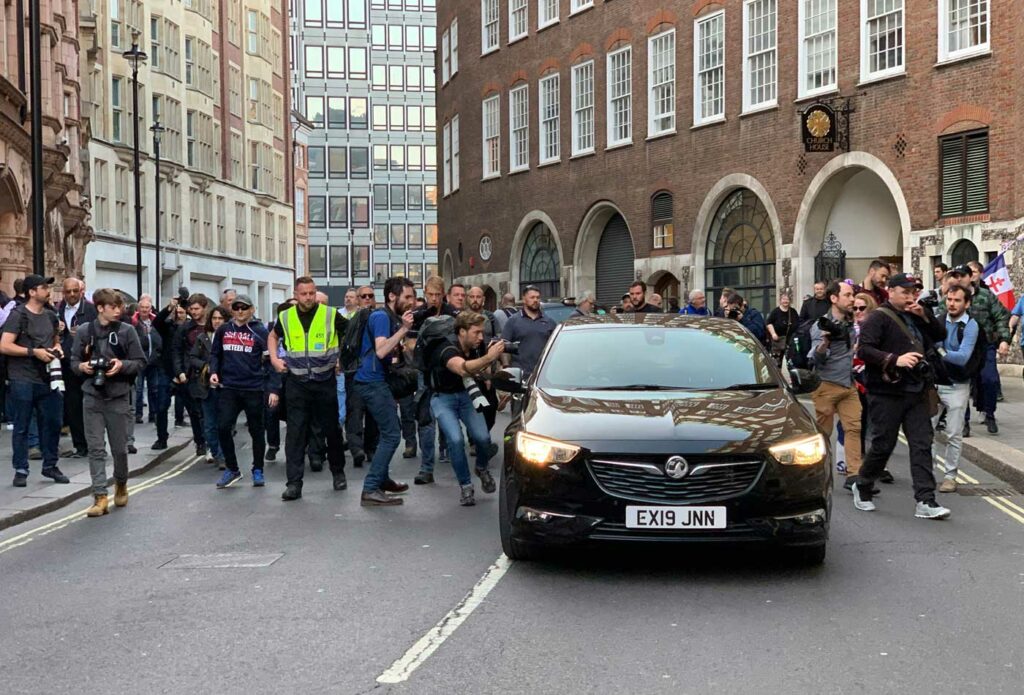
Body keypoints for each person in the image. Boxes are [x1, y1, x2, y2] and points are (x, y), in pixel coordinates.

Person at [853, 273, 951, 520]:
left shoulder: (916, 316)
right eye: (905, 292)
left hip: (916, 390)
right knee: (883, 444)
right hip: (887, 392)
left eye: (913, 292)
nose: (910, 297)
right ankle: (863, 485)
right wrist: (895, 360)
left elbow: (939, 335)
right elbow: (864, 349)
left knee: (922, 444)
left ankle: (925, 500)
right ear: (891, 291)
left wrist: (924, 316)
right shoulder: (877, 318)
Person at [268, 277, 348, 501]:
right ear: (296, 294)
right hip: (297, 383)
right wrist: (274, 359)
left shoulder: (329, 314)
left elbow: (350, 335)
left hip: (324, 381)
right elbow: (273, 337)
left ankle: (338, 473)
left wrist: (343, 358)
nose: (308, 298)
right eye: (304, 294)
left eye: (312, 293)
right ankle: (294, 484)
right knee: (295, 434)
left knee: (331, 431)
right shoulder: (286, 316)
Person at [70, 288, 146, 517]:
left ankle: (121, 484)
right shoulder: (85, 331)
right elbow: (73, 361)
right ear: (100, 308)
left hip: (119, 397)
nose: (118, 310)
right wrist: (82, 367)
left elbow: (141, 362)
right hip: (92, 396)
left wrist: (121, 365)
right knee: (95, 449)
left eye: (119, 307)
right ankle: (100, 496)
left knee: (119, 450)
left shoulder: (127, 331)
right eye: (113, 307)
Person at [428, 311, 505, 506]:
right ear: (462, 331)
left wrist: (493, 377)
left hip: (466, 395)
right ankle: (466, 486)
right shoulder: (446, 347)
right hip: (443, 398)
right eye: (476, 332)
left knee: (483, 437)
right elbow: (462, 368)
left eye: (482, 332)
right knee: (455, 440)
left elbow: (482, 369)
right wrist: (490, 357)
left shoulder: (476, 346)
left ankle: (481, 468)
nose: (481, 337)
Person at [352, 276, 415, 506]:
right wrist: (404, 330)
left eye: (413, 297)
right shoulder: (380, 317)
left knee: (384, 433)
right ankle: (370, 488)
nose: (411, 302)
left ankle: (382, 479)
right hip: (371, 382)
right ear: (392, 296)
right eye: (407, 297)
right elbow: (380, 351)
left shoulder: (390, 317)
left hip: (377, 382)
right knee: (391, 434)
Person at [1, 275, 70, 487]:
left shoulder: (50, 316)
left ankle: (50, 465)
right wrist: (34, 352)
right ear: (32, 292)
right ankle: (21, 470)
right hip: (22, 377)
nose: (47, 290)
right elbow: (4, 345)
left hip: (48, 377)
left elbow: (55, 340)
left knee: (52, 422)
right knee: (22, 425)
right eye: (43, 287)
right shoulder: (18, 315)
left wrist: (56, 349)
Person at [210, 294, 271, 488]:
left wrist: (272, 387)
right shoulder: (223, 330)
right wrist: (213, 372)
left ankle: (258, 469)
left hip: (253, 388)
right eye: (236, 308)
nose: (239, 311)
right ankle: (232, 468)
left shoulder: (260, 331)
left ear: (252, 309)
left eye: (244, 307)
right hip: (229, 387)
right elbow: (215, 354)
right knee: (223, 427)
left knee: (257, 431)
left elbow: (270, 360)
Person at [808, 281, 863, 490]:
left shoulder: (850, 321)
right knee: (824, 434)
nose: (852, 299)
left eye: (852, 295)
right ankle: (819, 473)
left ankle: (854, 475)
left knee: (854, 428)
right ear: (834, 298)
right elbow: (815, 358)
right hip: (826, 385)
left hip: (848, 385)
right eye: (848, 295)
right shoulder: (820, 326)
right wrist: (824, 344)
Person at [933, 284, 979, 494]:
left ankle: (950, 476)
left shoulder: (971, 326)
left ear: (967, 303)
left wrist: (939, 350)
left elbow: (962, 358)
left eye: (957, 300)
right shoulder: (939, 320)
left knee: (953, 433)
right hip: (934, 382)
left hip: (957, 385)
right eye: (949, 299)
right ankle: (928, 472)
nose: (951, 304)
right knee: (926, 431)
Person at [964, 260, 1011, 434]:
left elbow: (1001, 316)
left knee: (989, 379)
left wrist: (1004, 339)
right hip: (963, 348)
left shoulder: (986, 295)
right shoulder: (954, 296)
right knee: (963, 385)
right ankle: (964, 422)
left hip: (985, 346)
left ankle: (989, 413)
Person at [57, 277, 97, 458]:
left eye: (75, 291)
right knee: (72, 406)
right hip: (68, 364)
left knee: (90, 405)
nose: (72, 295)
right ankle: (80, 446)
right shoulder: (58, 310)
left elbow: (100, 333)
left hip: (88, 363)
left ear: (81, 291)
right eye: (68, 291)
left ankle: (94, 444)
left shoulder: (90, 309)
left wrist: (85, 336)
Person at [172, 294, 211, 458]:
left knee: (209, 412)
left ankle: (211, 443)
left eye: (196, 309)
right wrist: (179, 372)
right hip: (191, 375)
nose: (193, 312)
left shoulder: (213, 326)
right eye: (191, 309)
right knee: (195, 412)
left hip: (210, 373)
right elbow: (177, 351)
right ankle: (200, 441)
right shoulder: (185, 328)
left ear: (204, 307)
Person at [501, 285, 556, 379]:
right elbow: (504, 346)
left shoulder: (549, 322)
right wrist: (506, 368)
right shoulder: (513, 321)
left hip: (543, 375)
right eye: (532, 297)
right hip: (520, 376)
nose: (535, 300)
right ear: (524, 299)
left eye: (538, 297)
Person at [199, 306, 230, 469]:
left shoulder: (231, 336)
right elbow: (192, 357)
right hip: (208, 387)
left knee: (224, 423)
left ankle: (225, 454)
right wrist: (206, 365)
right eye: (214, 318)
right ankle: (217, 453)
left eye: (220, 318)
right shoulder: (203, 337)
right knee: (210, 425)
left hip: (226, 387)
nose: (217, 321)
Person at [766, 291, 799, 366]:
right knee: (776, 363)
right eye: (783, 299)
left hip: (790, 342)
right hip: (778, 341)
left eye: (787, 299)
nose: (785, 301)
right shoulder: (775, 312)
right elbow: (768, 323)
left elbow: (798, 324)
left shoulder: (793, 312)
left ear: (790, 301)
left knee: (791, 363)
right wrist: (773, 333)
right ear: (780, 300)